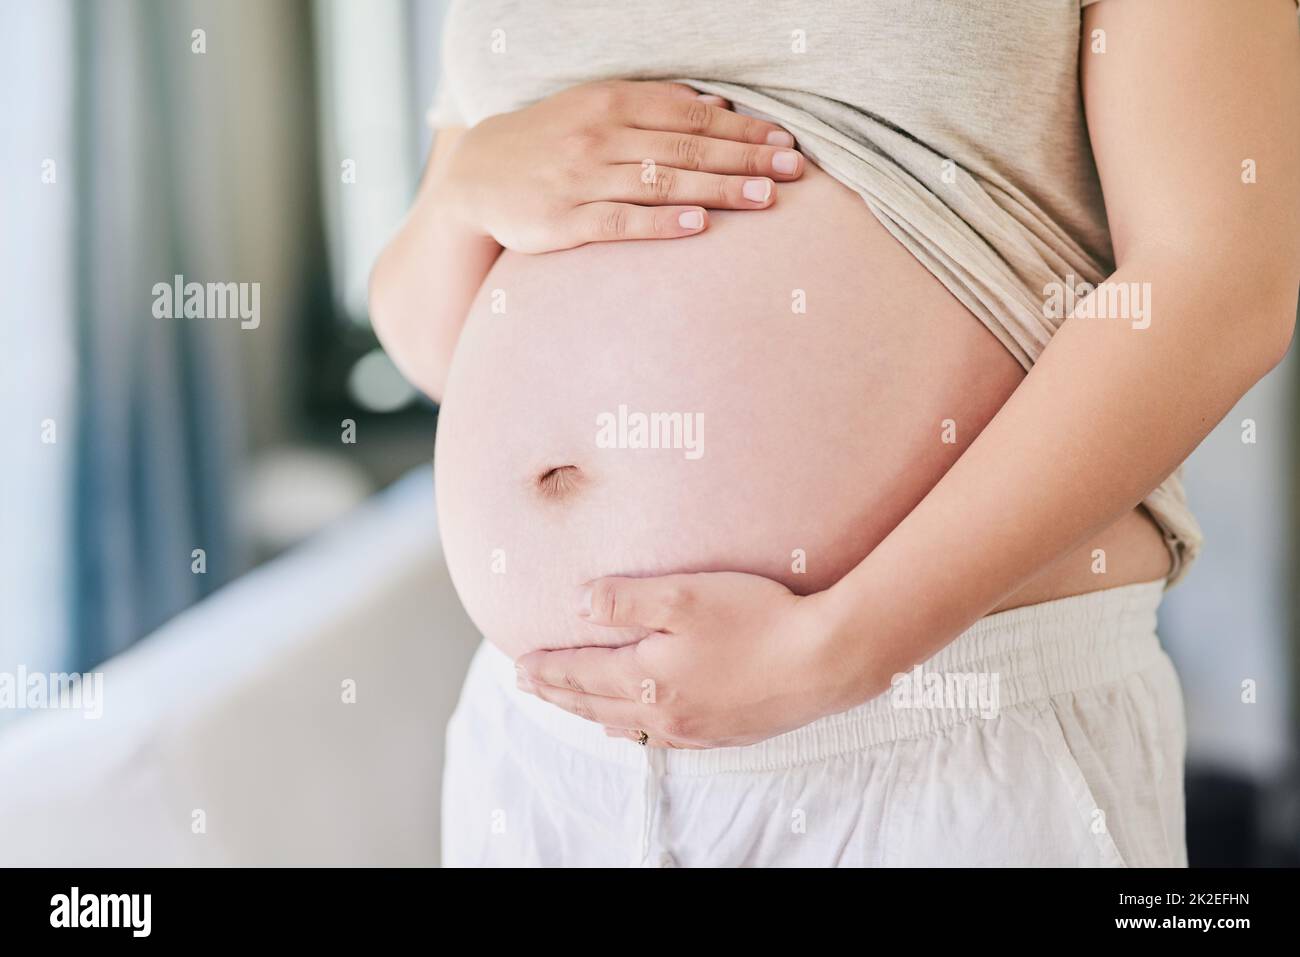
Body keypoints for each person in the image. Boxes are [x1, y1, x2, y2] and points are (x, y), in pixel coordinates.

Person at [371, 0, 1300, 866]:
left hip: (942, 718)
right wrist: (466, 189)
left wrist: (838, 648)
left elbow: (1220, 278)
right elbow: (431, 342)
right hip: (549, 758)